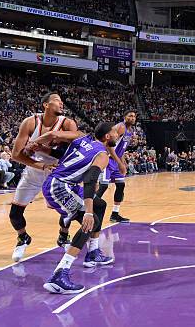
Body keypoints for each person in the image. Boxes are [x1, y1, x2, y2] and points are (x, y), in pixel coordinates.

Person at [41, 122, 118, 294]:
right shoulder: (102, 154)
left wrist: (39, 147)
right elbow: (90, 180)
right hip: (60, 187)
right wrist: (88, 213)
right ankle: (60, 275)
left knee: (100, 204)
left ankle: (93, 253)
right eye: (114, 133)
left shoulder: (84, 141)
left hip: (63, 184)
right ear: (107, 137)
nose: (117, 135)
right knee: (90, 221)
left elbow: (60, 154)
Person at [9, 92, 79, 262]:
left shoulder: (67, 123)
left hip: (57, 174)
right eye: (57, 101)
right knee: (14, 214)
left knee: (67, 211)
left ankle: (63, 236)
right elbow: (16, 155)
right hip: (34, 171)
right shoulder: (30, 122)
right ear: (45, 105)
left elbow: (78, 137)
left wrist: (54, 136)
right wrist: (42, 166)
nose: (61, 104)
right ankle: (23, 238)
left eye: (62, 101)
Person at [96, 111, 135, 223]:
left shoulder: (130, 131)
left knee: (121, 185)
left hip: (116, 161)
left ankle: (115, 214)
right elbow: (109, 146)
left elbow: (121, 149)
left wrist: (123, 163)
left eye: (134, 116)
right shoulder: (120, 127)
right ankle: (89, 210)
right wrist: (119, 163)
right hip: (107, 160)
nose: (132, 118)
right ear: (124, 117)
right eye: (130, 116)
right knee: (103, 187)